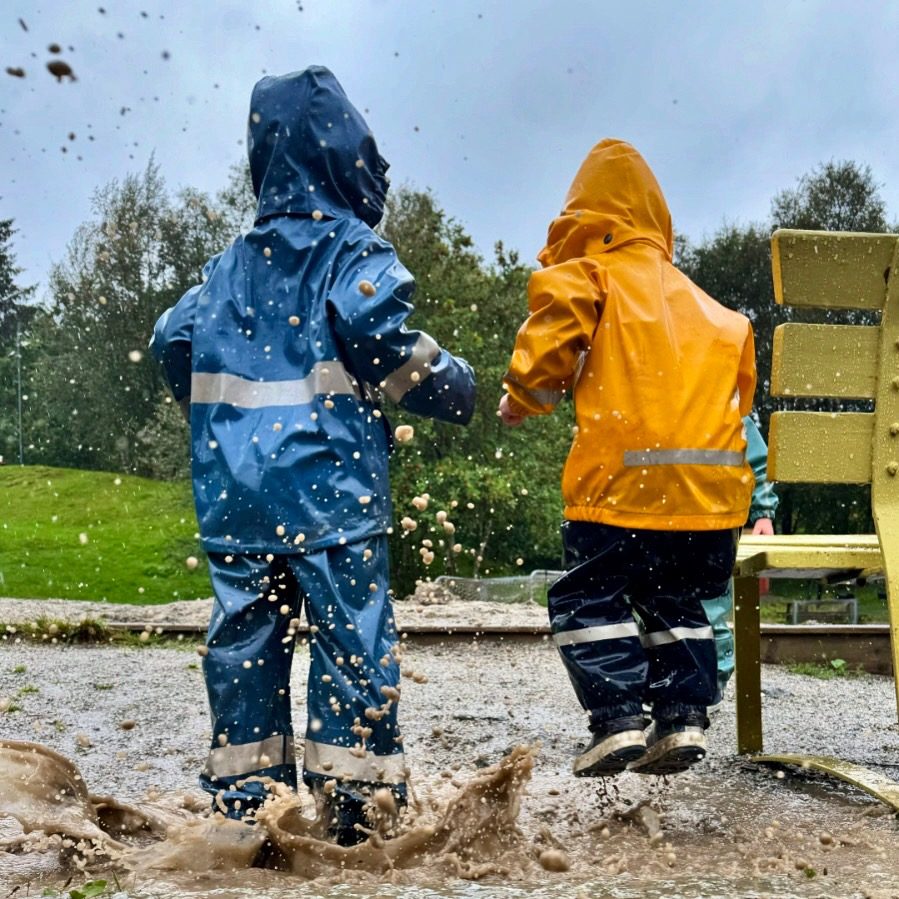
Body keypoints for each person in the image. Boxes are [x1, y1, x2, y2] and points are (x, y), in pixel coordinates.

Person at [151, 66, 476, 842]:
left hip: (237, 499)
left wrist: (217, 418)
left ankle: (246, 807)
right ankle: (356, 810)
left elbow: (172, 340)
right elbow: (379, 340)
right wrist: (453, 384)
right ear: (350, 161)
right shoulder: (351, 252)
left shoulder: (229, 264)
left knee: (244, 642)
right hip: (329, 496)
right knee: (349, 638)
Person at [498, 139, 756, 777]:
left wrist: (522, 397)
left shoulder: (591, 274)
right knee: (675, 601)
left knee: (584, 599)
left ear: (583, 221)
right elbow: (740, 395)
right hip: (709, 502)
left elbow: (553, 339)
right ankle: (684, 717)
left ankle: (616, 720)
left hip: (619, 491)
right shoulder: (718, 313)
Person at [704, 415, 777, 703]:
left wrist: (763, 513)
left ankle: (712, 687)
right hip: (669, 515)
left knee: (708, 606)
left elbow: (755, 459)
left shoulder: (721, 398)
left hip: (713, 516)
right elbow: (758, 460)